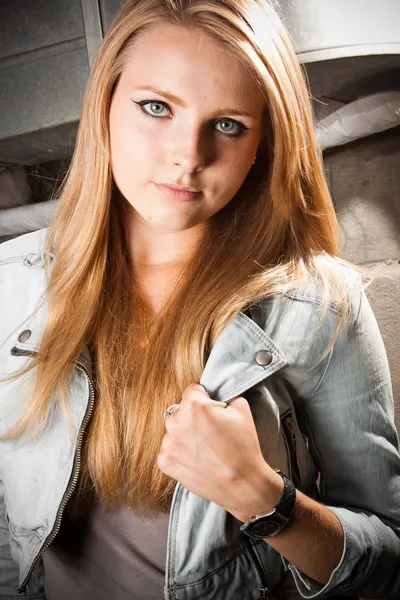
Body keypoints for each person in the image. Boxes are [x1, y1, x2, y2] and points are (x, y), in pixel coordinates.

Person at [0, 0, 399, 598]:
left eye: (229, 124)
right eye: (156, 107)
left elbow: (389, 560)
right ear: (104, 104)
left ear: (265, 141)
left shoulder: (320, 304)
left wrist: (265, 500)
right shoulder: (13, 281)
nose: (188, 156)